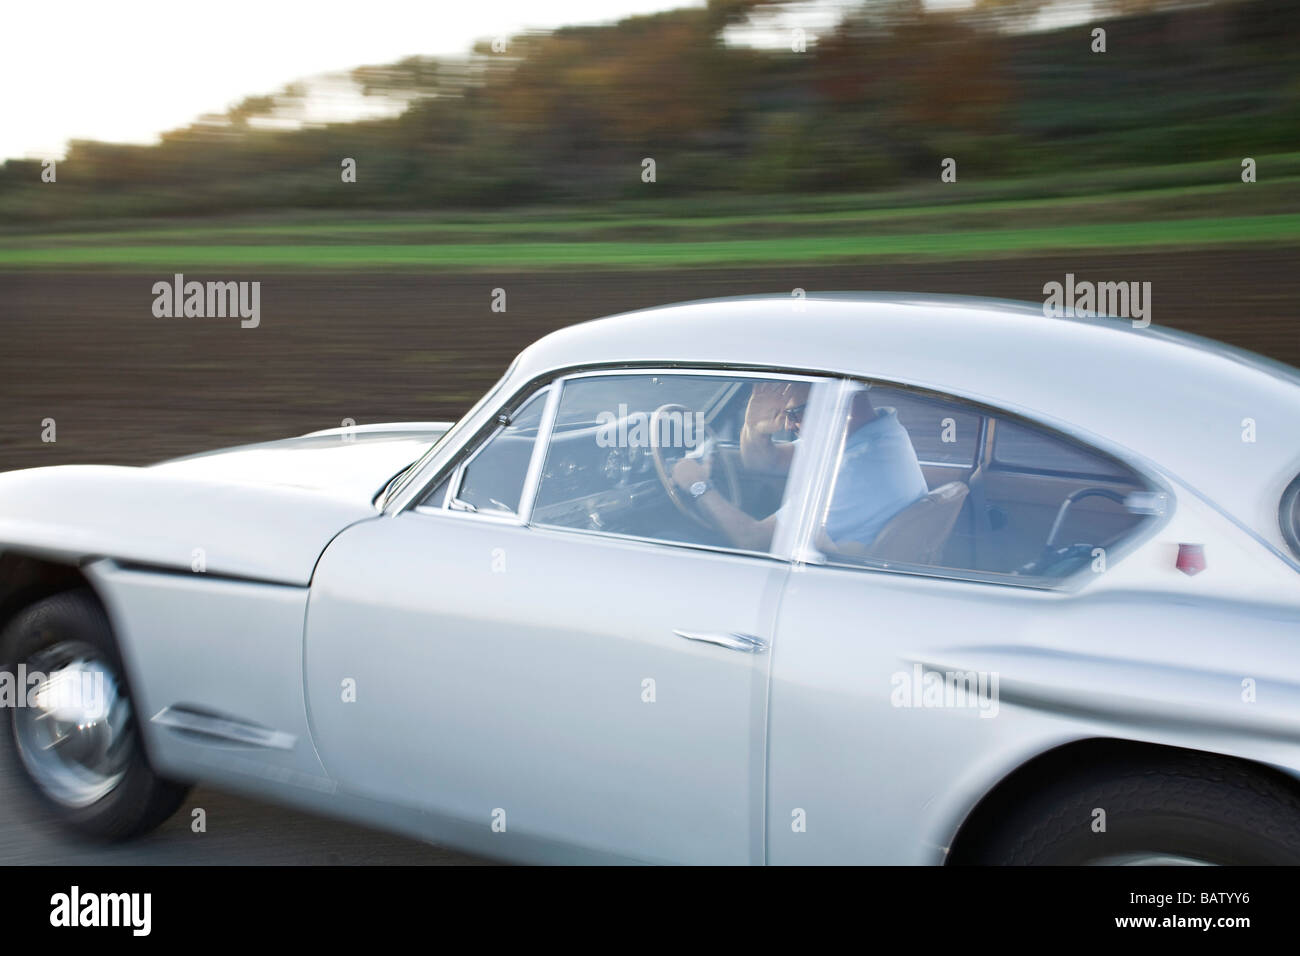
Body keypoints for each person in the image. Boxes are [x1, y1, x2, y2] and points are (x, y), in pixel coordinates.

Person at [671, 381, 928, 554]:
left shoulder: (855, 472)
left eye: (794, 414)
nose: (787, 424)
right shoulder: (878, 434)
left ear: (838, 406)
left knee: (677, 542)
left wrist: (698, 486)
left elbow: (753, 539)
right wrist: (755, 429)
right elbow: (764, 463)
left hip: (824, 591)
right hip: (842, 573)